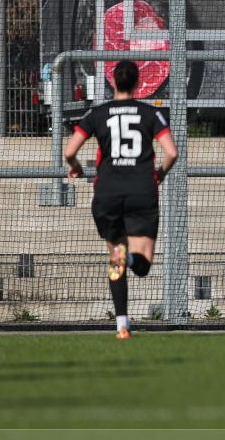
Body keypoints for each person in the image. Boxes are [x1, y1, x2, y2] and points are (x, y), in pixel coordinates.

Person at [63, 61, 178, 340]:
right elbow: (171, 153)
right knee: (143, 264)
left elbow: (69, 151)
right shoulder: (151, 113)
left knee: (116, 256)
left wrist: (76, 166)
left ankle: (122, 326)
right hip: (142, 191)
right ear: (138, 83)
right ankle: (132, 260)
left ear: (113, 82)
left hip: (108, 193)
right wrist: (158, 175)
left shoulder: (97, 114)